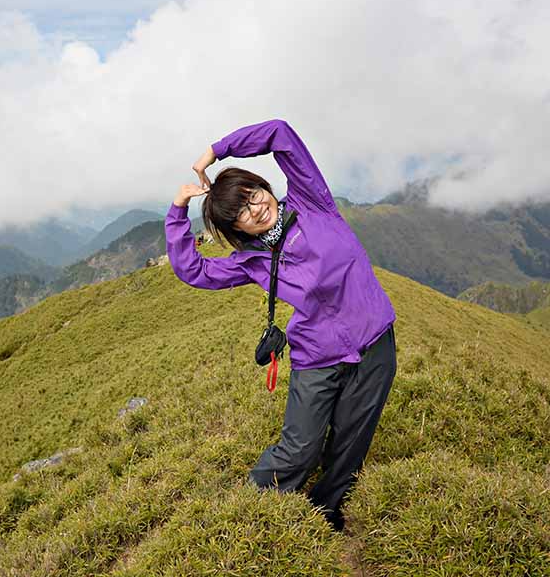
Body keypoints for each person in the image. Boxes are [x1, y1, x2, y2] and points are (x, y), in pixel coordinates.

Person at [164, 118, 397, 532]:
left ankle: (325, 512)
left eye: (253, 195)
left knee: (351, 441)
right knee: (299, 448)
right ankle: (247, 513)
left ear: (263, 187)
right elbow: (193, 270)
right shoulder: (251, 262)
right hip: (317, 357)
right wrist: (179, 210)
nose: (255, 209)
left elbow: (280, 133)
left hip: (375, 341)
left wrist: (215, 152)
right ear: (236, 230)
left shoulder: (313, 202)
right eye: (241, 214)